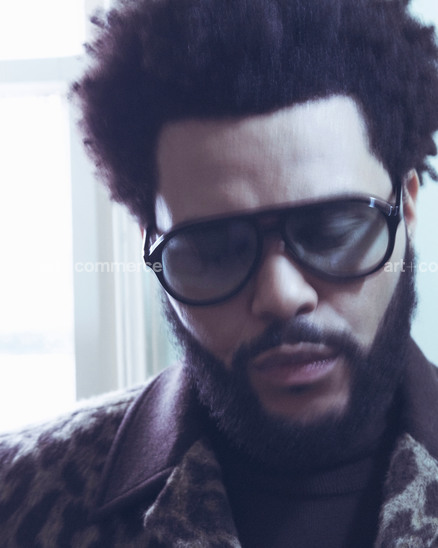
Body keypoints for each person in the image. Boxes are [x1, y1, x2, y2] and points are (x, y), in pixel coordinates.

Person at [1, 0, 438, 546]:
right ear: (150, 244)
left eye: (330, 230)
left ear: (407, 206)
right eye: (216, 250)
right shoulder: (16, 496)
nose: (281, 295)